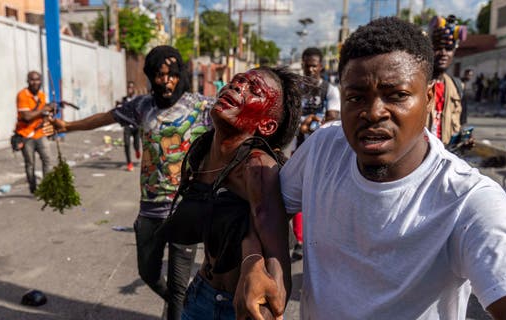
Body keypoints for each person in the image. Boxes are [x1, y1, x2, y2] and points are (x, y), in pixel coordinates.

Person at [236, 17, 506, 320]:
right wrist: (256, 263)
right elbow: (266, 207)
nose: (374, 112)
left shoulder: (469, 202)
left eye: (397, 95)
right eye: (356, 97)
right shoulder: (325, 147)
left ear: (429, 98)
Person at [52, 46, 213, 320]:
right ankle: (185, 305)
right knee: (148, 273)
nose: (167, 81)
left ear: (180, 75)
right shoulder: (142, 106)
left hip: (186, 209)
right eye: (160, 75)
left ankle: (178, 307)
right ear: (151, 76)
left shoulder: (202, 108)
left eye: (172, 74)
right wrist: (68, 126)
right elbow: (106, 117)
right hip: (150, 208)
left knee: (177, 287)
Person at [157, 67, 303, 319]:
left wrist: (271, 306)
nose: (237, 87)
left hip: (235, 308)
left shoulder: (256, 167)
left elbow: (277, 254)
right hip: (199, 293)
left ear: (266, 125)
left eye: (253, 90)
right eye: (237, 81)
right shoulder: (202, 153)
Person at [290, 47, 342, 261]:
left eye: (314, 65)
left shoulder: (329, 90)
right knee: (298, 193)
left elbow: (333, 119)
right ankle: (300, 241)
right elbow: (288, 118)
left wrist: (313, 125)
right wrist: (301, 126)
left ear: (321, 66)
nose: (310, 69)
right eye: (306, 65)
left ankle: (322, 239)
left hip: (323, 152)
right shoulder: (295, 90)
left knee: (322, 195)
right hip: (297, 148)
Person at [427, 15, 467, 144]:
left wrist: (464, 140)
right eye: (438, 48)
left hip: (446, 154)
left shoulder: (457, 86)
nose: (444, 53)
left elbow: (460, 125)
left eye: (449, 49)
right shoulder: (417, 84)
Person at [15, 71, 54, 194]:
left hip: (40, 134)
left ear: (41, 81)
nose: (35, 82)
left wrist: (49, 117)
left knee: (47, 160)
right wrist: (44, 109)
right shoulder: (22, 95)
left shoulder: (42, 96)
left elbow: (44, 115)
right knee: (30, 164)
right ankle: (33, 188)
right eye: (32, 80)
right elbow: (26, 116)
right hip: (26, 135)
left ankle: (47, 188)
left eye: (37, 79)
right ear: (28, 81)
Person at [116, 81, 140, 171]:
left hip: (136, 125)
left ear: (134, 89)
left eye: (131, 87)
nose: (130, 89)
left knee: (136, 144)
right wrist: (118, 106)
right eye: (128, 88)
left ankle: (137, 150)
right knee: (126, 144)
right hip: (127, 125)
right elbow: (120, 110)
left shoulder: (137, 99)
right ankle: (129, 163)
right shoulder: (124, 99)